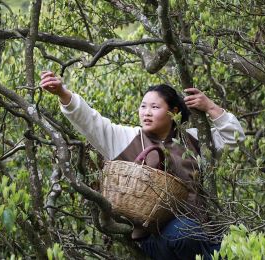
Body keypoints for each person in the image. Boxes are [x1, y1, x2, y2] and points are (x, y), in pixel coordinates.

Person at [40, 71, 245, 259]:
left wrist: (210, 107)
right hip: (158, 237)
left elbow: (233, 138)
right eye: (143, 106)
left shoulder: (191, 140)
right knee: (184, 233)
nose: (146, 112)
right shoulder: (126, 138)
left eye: (155, 107)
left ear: (173, 112)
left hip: (201, 231)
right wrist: (62, 93)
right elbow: (90, 121)